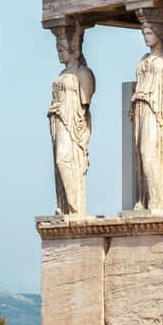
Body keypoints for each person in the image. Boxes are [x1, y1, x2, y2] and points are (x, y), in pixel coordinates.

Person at [131, 9, 163, 210]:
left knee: (150, 152)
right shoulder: (143, 59)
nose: (146, 37)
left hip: (158, 111)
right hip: (141, 109)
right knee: (140, 155)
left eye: (149, 32)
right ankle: (144, 199)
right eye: (144, 33)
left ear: (159, 33)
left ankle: (156, 200)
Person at [47, 24, 95, 215]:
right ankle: (66, 206)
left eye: (62, 49)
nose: (59, 53)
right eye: (58, 49)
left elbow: (85, 103)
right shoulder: (62, 74)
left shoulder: (84, 73)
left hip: (73, 123)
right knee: (59, 163)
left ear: (74, 50)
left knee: (64, 160)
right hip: (58, 121)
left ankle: (76, 207)